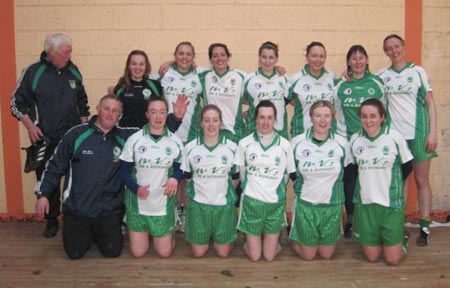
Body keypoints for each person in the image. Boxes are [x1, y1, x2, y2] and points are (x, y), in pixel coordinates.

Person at [35, 95, 136, 259]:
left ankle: (98, 233)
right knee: (74, 254)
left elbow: (153, 132)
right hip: (78, 210)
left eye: (115, 111)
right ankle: (86, 234)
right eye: (106, 109)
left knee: (112, 252)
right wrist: (43, 194)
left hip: (109, 211)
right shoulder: (76, 134)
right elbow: (54, 165)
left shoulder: (126, 137)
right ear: (97, 109)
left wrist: (175, 118)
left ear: (120, 115)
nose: (110, 114)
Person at [11, 33, 90, 238]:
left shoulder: (73, 71)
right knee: (49, 180)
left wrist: (84, 130)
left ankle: (74, 218)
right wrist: (29, 126)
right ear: (51, 53)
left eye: (70, 51)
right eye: (65, 52)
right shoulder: (33, 72)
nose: (69, 56)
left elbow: (82, 102)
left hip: (72, 137)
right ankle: (52, 220)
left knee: (77, 178)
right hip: (45, 138)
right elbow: (16, 104)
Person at [378, 34, 437, 246]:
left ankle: (424, 226)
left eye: (396, 46)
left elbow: (430, 103)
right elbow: (363, 81)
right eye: (389, 48)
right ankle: (398, 224)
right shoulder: (382, 75)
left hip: (419, 135)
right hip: (396, 139)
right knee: (398, 182)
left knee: (421, 180)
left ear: (404, 46)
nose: (394, 51)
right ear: (385, 52)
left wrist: (432, 133)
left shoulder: (418, 71)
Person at [350, 98, 413, 265]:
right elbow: (352, 169)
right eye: (364, 116)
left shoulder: (394, 137)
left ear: (382, 117)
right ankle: (382, 239)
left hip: (390, 205)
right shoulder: (355, 139)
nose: (368, 120)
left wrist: (393, 184)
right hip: (366, 204)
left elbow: (407, 166)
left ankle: (402, 239)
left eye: (373, 116)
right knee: (372, 257)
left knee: (393, 260)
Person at [119, 97, 184, 258]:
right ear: (147, 114)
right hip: (138, 202)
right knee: (138, 252)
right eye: (153, 112)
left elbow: (180, 168)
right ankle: (146, 233)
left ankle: (168, 234)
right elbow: (123, 171)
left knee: (164, 253)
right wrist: (136, 188)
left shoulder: (175, 141)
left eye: (162, 112)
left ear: (166, 114)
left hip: (163, 202)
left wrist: (175, 178)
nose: (158, 116)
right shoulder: (135, 139)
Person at [334, 45, 386, 238]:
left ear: (366, 60)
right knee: (349, 180)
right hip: (347, 141)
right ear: (348, 62)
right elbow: (332, 109)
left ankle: (369, 217)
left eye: (361, 58)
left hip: (370, 142)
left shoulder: (376, 83)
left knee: (369, 178)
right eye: (353, 58)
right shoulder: (340, 84)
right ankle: (351, 218)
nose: (357, 62)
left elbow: (383, 112)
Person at [152, 42, 204, 232]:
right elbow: (141, 81)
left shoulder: (200, 75)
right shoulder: (164, 73)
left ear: (193, 56)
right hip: (170, 132)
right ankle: (173, 210)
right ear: (175, 55)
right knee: (172, 175)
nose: (184, 57)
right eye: (180, 53)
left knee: (187, 177)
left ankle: (185, 211)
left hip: (191, 134)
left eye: (188, 54)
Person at [290, 100, 352, 260]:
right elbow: (291, 173)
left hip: (332, 207)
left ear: (333, 118)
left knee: (326, 255)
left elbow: (349, 176)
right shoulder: (297, 142)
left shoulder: (341, 143)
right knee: (308, 256)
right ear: (311, 117)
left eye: (327, 116)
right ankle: (296, 236)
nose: (322, 120)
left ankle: (312, 239)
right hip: (306, 205)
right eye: (318, 115)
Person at [234, 100, 296, 262]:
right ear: (255, 119)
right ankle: (250, 241)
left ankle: (272, 242)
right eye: (262, 117)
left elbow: (287, 175)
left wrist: (274, 190)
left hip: (274, 204)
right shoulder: (244, 143)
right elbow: (242, 174)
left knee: (269, 256)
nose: (265, 122)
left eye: (270, 117)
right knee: (255, 257)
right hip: (252, 203)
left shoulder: (285, 145)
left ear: (275, 119)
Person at [181, 104, 239, 257]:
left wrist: (222, 193)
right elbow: (187, 179)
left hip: (223, 206)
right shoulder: (190, 148)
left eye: (215, 120)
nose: (211, 124)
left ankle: (222, 235)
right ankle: (206, 234)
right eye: (207, 120)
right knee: (199, 253)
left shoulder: (232, 148)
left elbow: (235, 178)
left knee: (223, 253)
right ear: (201, 123)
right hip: (199, 206)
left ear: (221, 122)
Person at [111, 50, 188, 132]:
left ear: (146, 66)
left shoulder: (155, 85)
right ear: (129, 66)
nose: (138, 68)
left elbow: (162, 110)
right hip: (126, 133)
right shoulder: (121, 87)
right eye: (134, 64)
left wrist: (172, 62)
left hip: (149, 133)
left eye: (141, 64)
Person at [242, 41, 290, 139]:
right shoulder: (250, 78)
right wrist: (249, 112)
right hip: (254, 130)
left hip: (279, 131)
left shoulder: (283, 78)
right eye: (264, 57)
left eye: (271, 57)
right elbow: (242, 100)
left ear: (276, 59)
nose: (267, 61)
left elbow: (288, 101)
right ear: (259, 58)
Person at [200, 43, 246, 142]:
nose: (219, 58)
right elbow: (185, 64)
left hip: (234, 133)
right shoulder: (204, 77)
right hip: (210, 132)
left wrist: (252, 113)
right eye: (215, 56)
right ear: (210, 59)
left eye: (223, 55)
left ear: (228, 57)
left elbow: (258, 92)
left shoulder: (240, 77)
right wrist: (170, 63)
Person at [288, 42, 336, 137]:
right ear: (307, 57)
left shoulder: (331, 77)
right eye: (314, 56)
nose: (318, 60)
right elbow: (283, 101)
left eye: (321, 56)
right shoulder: (296, 79)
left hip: (328, 135)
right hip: (301, 135)